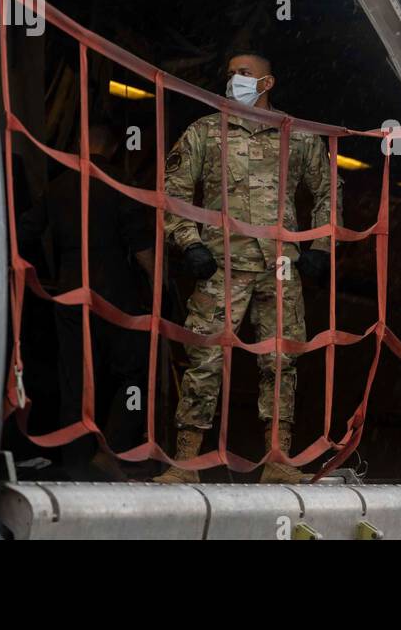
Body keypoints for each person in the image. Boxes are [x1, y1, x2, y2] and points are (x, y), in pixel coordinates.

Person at [153, 52, 335, 484]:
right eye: (231, 72)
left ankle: (276, 459)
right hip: (221, 266)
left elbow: (328, 190)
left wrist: (321, 247)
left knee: (281, 361)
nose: (234, 79)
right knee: (205, 358)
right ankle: (186, 462)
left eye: (244, 73)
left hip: (281, 267)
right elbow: (172, 189)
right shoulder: (205, 131)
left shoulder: (299, 137)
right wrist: (188, 243)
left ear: (267, 83)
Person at [17, 123, 154, 481]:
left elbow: (25, 230)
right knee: (133, 374)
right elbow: (141, 247)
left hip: (68, 292)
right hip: (115, 292)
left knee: (74, 379)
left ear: (79, 143)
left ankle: (75, 461)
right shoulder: (120, 183)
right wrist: (158, 290)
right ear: (111, 148)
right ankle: (116, 447)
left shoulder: (59, 185)